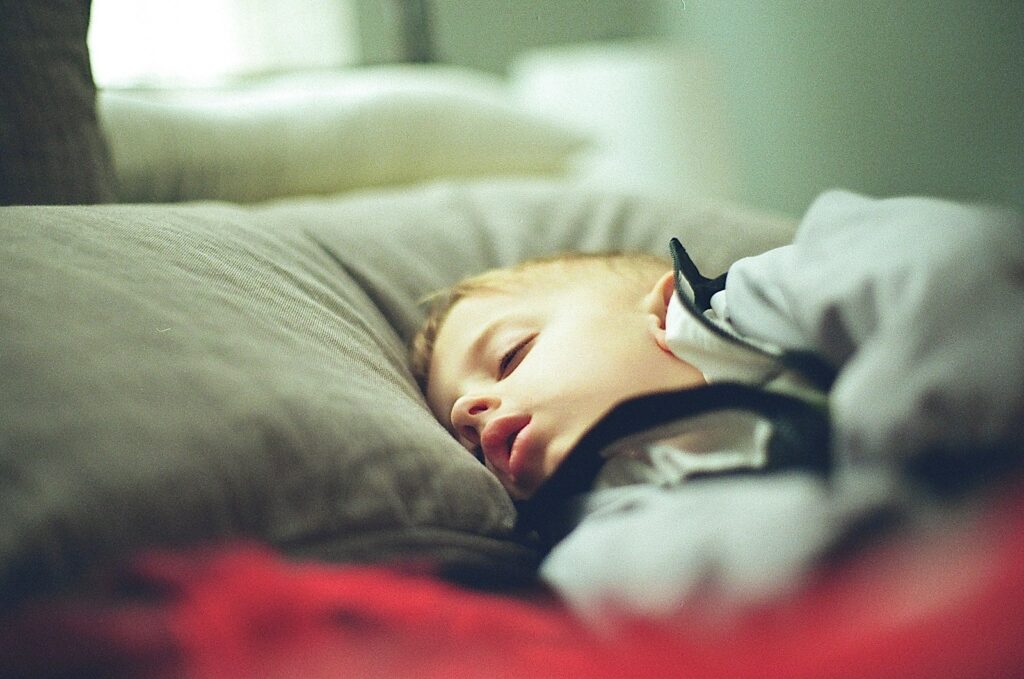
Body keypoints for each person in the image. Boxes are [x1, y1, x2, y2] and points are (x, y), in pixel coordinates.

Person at [411, 190, 1024, 619]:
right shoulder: (604, 529)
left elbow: (950, 260)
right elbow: (714, 585)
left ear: (657, 308)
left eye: (512, 355)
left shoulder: (760, 301)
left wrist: (898, 444)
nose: (470, 411)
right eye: (458, 425)